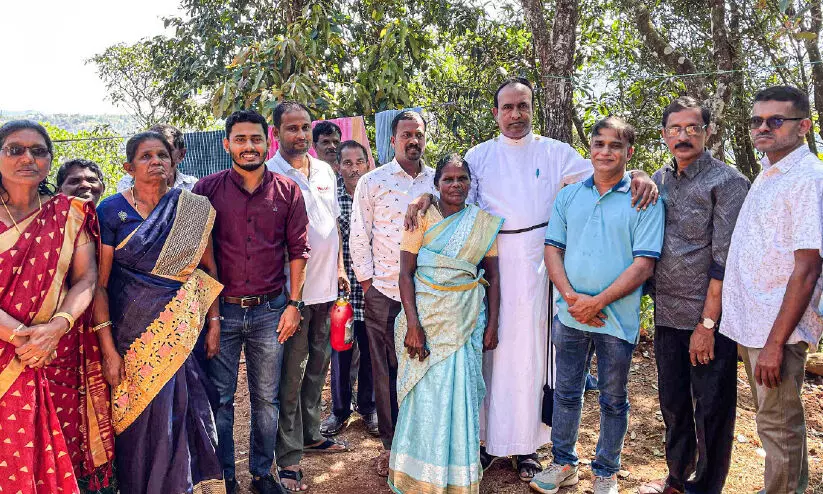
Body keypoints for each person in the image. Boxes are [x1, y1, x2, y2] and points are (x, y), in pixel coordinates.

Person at [405, 78, 658, 481]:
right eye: (507, 107)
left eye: (523, 106)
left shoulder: (555, 152)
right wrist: (424, 198)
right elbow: (453, 194)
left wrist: (642, 172)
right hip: (488, 264)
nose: (515, 115)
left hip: (541, 265)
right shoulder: (479, 154)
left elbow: (605, 172)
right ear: (495, 113)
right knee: (489, 351)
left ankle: (529, 446)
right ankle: (486, 441)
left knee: (533, 358)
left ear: (532, 108)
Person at [533, 117, 664, 494]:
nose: (606, 151)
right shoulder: (570, 195)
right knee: (567, 392)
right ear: (590, 148)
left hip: (616, 318)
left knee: (613, 399)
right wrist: (574, 299)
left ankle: (606, 471)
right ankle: (563, 464)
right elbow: (552, 249)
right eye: (599, 143)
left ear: (629, 152)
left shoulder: (644, 199)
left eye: (615, 145)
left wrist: (598, 302)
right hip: (570, 315)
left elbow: (644, 264)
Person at [94, 131, 224, 494]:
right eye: (146, 156)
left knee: (186, 410)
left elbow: (208, 272)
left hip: (182, 334)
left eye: (162, 156)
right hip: (129, 335)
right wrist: (107, 349)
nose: (156, 162)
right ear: (128, 167)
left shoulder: (193, 209)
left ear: (174, 161)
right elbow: (99, 285)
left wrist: (214, 322)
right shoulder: (110, 210)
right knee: (137, 421)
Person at [194, 109, 309, 494]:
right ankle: (225, 474)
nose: (248, 147)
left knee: (266, 400)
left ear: (268, 141)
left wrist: (294, 305)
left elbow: (298, 251)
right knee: (221, 400)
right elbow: (194, 256)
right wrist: (208, 318)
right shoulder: (205, 191)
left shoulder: (287, 191)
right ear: (226, 144)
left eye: (255, 139)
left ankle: (262, 474)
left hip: (270, 311)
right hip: (221, 312)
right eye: (240, 139)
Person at [638, 97, 749, 494]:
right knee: (674, 406)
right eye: (675, 129)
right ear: (665, 134)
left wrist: (707, 324)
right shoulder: (660, 178)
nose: (683, 136)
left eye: (692, 128)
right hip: (667, 315)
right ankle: (676, 478)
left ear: (707, 131)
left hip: (708, 321)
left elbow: (725, 261)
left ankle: (705, 487)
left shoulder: (728, 182)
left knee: (712, 411)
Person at [0, 120, 114, 494]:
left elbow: (86, 279)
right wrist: (22, 337)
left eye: (38, 151)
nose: (27, 158)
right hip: (20, 348)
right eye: (15, 149)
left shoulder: (69, 213)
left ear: (50, 160)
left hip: (49, 352)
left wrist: (57, 328)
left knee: (40, 453)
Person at [721, 85, 823, 494]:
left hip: (776, 329)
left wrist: (776, 342)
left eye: (775, 121)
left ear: (803, 126)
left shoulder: (807, 179)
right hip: (755, 322)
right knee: (774, 422)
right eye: (757, 120)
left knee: (778, 425)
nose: (763, 127)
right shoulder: (770, 171)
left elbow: (808, 267)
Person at [389, 153, 502, 493]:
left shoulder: (483, 224)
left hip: (468, 318)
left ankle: (456, 478)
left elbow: (493, 279)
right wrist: (413, 324)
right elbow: (405, 274)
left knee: (461, 395)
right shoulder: (421, 217)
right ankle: (417, 476)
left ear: (470, 183)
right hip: (426, 319)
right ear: (436, 184)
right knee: (425, 395)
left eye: (462, 179)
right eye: (448, 179)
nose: (455, 185)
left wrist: (493, 323)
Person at [350, 110, 438, 476]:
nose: (413, 140)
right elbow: (359, 235)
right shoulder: (372, 182)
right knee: (386, 371)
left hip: (431, 294)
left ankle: (425, 442)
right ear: (392, 140)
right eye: (406, 135)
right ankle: (392, 444)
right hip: (384, 291)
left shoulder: (439, 181)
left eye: (418, 134)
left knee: (425, 367)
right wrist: (369, 285)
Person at [266, 101, 349, 492]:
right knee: (292, 374)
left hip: (325, 289)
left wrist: (340, 268)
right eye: (291, 128)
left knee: (319, 366)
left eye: (304, 128)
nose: (299, 135)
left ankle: (312, 433)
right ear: (276, 133)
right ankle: (288, 455)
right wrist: (289, 299)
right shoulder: (270, 174)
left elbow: (329, 223)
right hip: (292, 294)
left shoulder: (326, 171)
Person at [321, 140, 378, 437]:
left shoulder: (377, 193)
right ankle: (339, 411)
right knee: (340, 352)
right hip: (342, 290)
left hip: (373, 289)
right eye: (347, 162)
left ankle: (369, 408)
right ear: (338, 166)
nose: (354, 168)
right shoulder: (332, 198)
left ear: (368, 163)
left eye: (359, 161)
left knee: (370, 352)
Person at [116, 123, 198, 193]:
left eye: (164, 153)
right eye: (146, 155)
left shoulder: (193, 186)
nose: (156, 161)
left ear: (181, 155)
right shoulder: (127, 183)